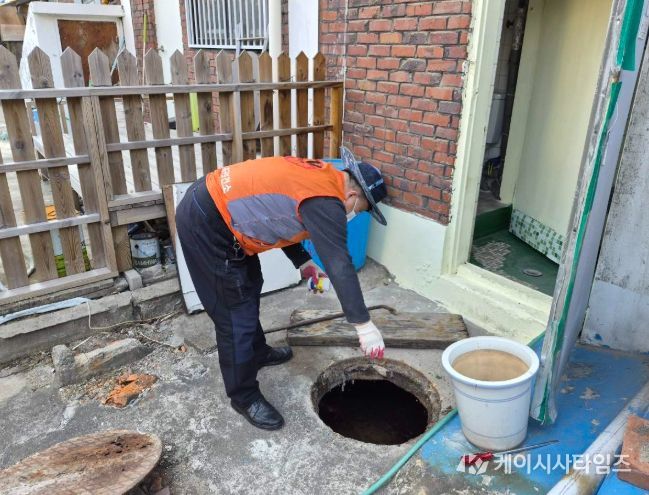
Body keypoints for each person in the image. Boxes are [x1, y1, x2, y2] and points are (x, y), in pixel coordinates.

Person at [175, 146, 388, 430]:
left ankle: (257, 352)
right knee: (235, 312)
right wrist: (364, 325)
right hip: (208, 221)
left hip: (218, 209)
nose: (354, 215)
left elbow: (280, 212)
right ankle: (244, 397)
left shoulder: (325, 177)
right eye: (359, 211)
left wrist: (303, 262)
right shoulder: (327, 201)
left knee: (250, 283)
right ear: (353, 196)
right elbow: (340, 264)